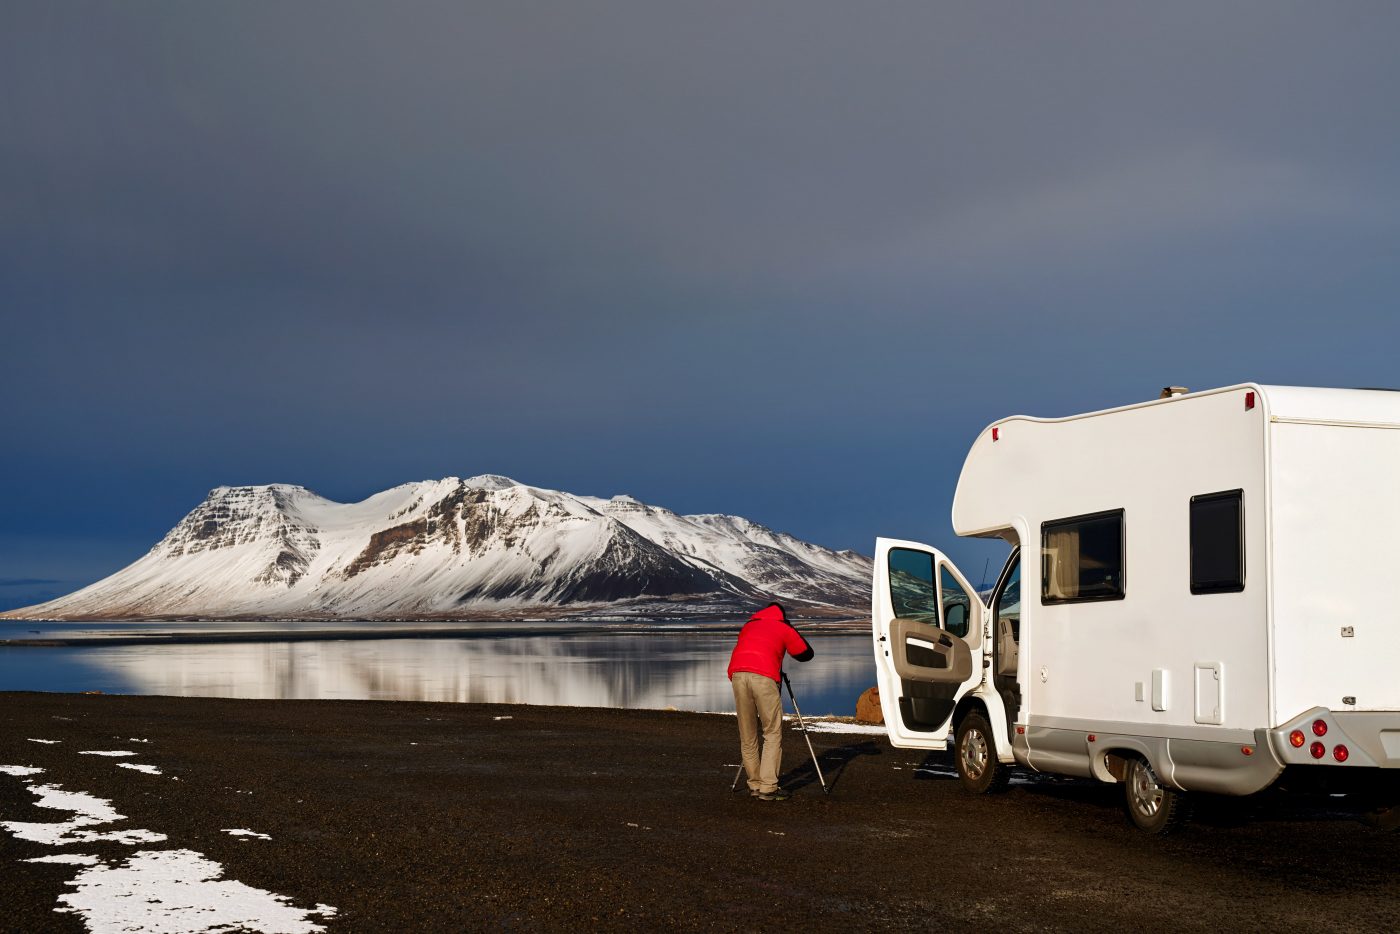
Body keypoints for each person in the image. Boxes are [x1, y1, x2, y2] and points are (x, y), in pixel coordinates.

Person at [727, 602, 814, 800]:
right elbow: (805, 654)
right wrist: (790, 629)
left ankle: (755, 784)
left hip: (738, 676)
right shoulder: (783, 627)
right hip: (764, 678)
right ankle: (768, 787)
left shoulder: (749, 625)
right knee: (772, 733)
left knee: (748, 735)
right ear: (781, 615)